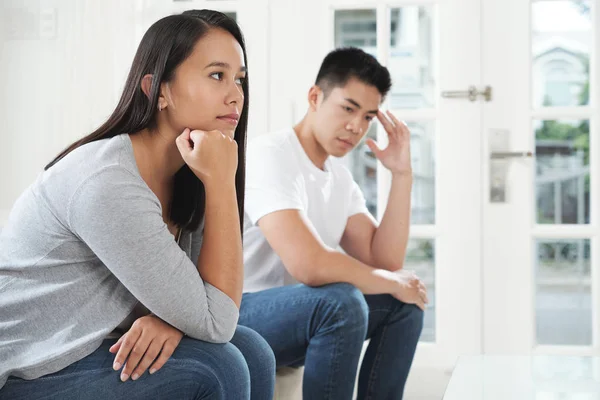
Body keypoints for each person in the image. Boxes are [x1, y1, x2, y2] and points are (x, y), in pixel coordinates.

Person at [0, 10, 275, 400]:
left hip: (84, 346)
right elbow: (217, 320)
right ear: (158, 89)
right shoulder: (106, 181)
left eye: (239, 79)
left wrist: (173, 320)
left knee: (254, 352)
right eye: (217, 75)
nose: (235, 95)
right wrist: (220, 182)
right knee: (217, 366)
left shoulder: (191, 169)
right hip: (25, 368)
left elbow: (207, 305)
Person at [239, 47, 428, 399]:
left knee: (405, 303)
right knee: (341, 301)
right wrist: (388, 279)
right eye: (348, 108)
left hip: (303, 315)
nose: (356, 126)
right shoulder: (271, 154)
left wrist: (402, 174)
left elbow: (385, 261)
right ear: (315, 97)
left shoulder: (339, 179)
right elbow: (308, 264)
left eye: (368, 116)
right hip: (243, 314)